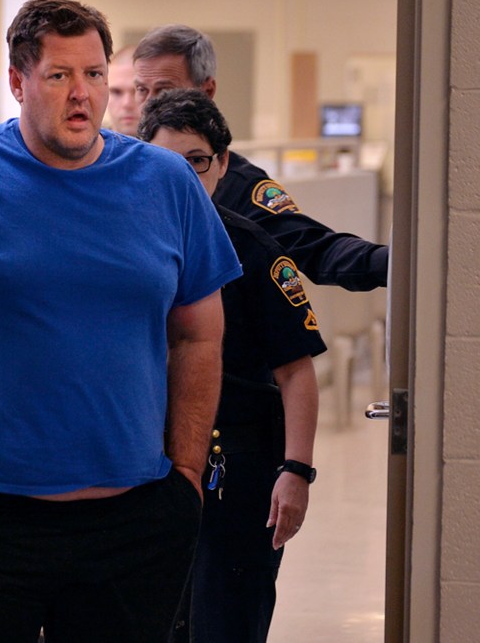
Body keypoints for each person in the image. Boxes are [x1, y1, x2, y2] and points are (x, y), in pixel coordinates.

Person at [0, 0, 242, 643]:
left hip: (131, 522)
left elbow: (199, 333)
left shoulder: (164, 182)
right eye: (58, 75)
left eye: (94, 75)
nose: (80, 95)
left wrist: (183, 477)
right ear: (16, 82)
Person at [139, 89, 326, 643]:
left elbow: (297, 371)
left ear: (222, 164)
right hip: (146, 463)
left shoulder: (253, 249)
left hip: (237, 466)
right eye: (166, 163)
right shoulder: (125, 243)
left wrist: (297, 472)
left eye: (196, 161)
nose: (183, 178)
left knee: (226, 620)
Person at [129, 24, 389, 291]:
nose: (147, 105)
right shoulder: (114, 166)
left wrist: (392, 264)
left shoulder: (236, 183)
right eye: (140, 90)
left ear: (206, 91)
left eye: (163, 90)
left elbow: (313, 247)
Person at [105, 44, 140, 135]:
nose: (127, 104)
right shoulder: (86, 148)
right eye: (116, 92)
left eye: (138, 91)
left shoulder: (175, 148)